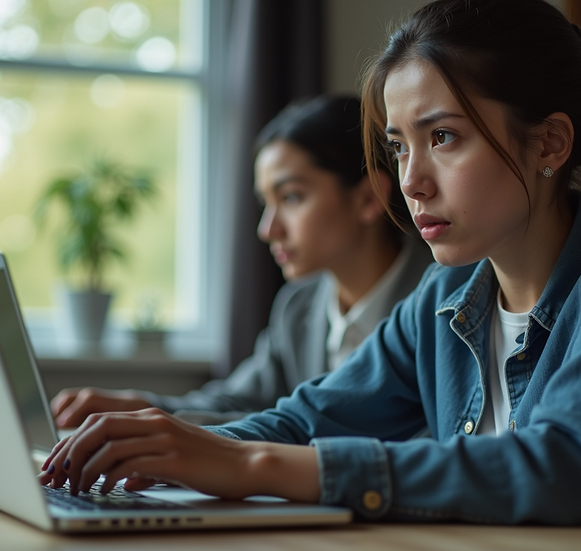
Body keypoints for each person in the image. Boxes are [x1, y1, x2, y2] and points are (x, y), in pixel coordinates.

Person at [38, 0, 581, 539]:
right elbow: (306, 418)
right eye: (398, 146)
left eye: (442, 137)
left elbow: (565, 466)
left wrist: (249, 466)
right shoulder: (446, 295)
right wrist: (171, 448)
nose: (410, 182)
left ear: (549, 143)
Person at [50, 95, 433, 428]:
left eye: (292, 197)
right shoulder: (299, 307)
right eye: (266, 202)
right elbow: (240, 401)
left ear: (368, 198)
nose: (268, 229)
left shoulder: (443, 305)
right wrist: (147, 409)